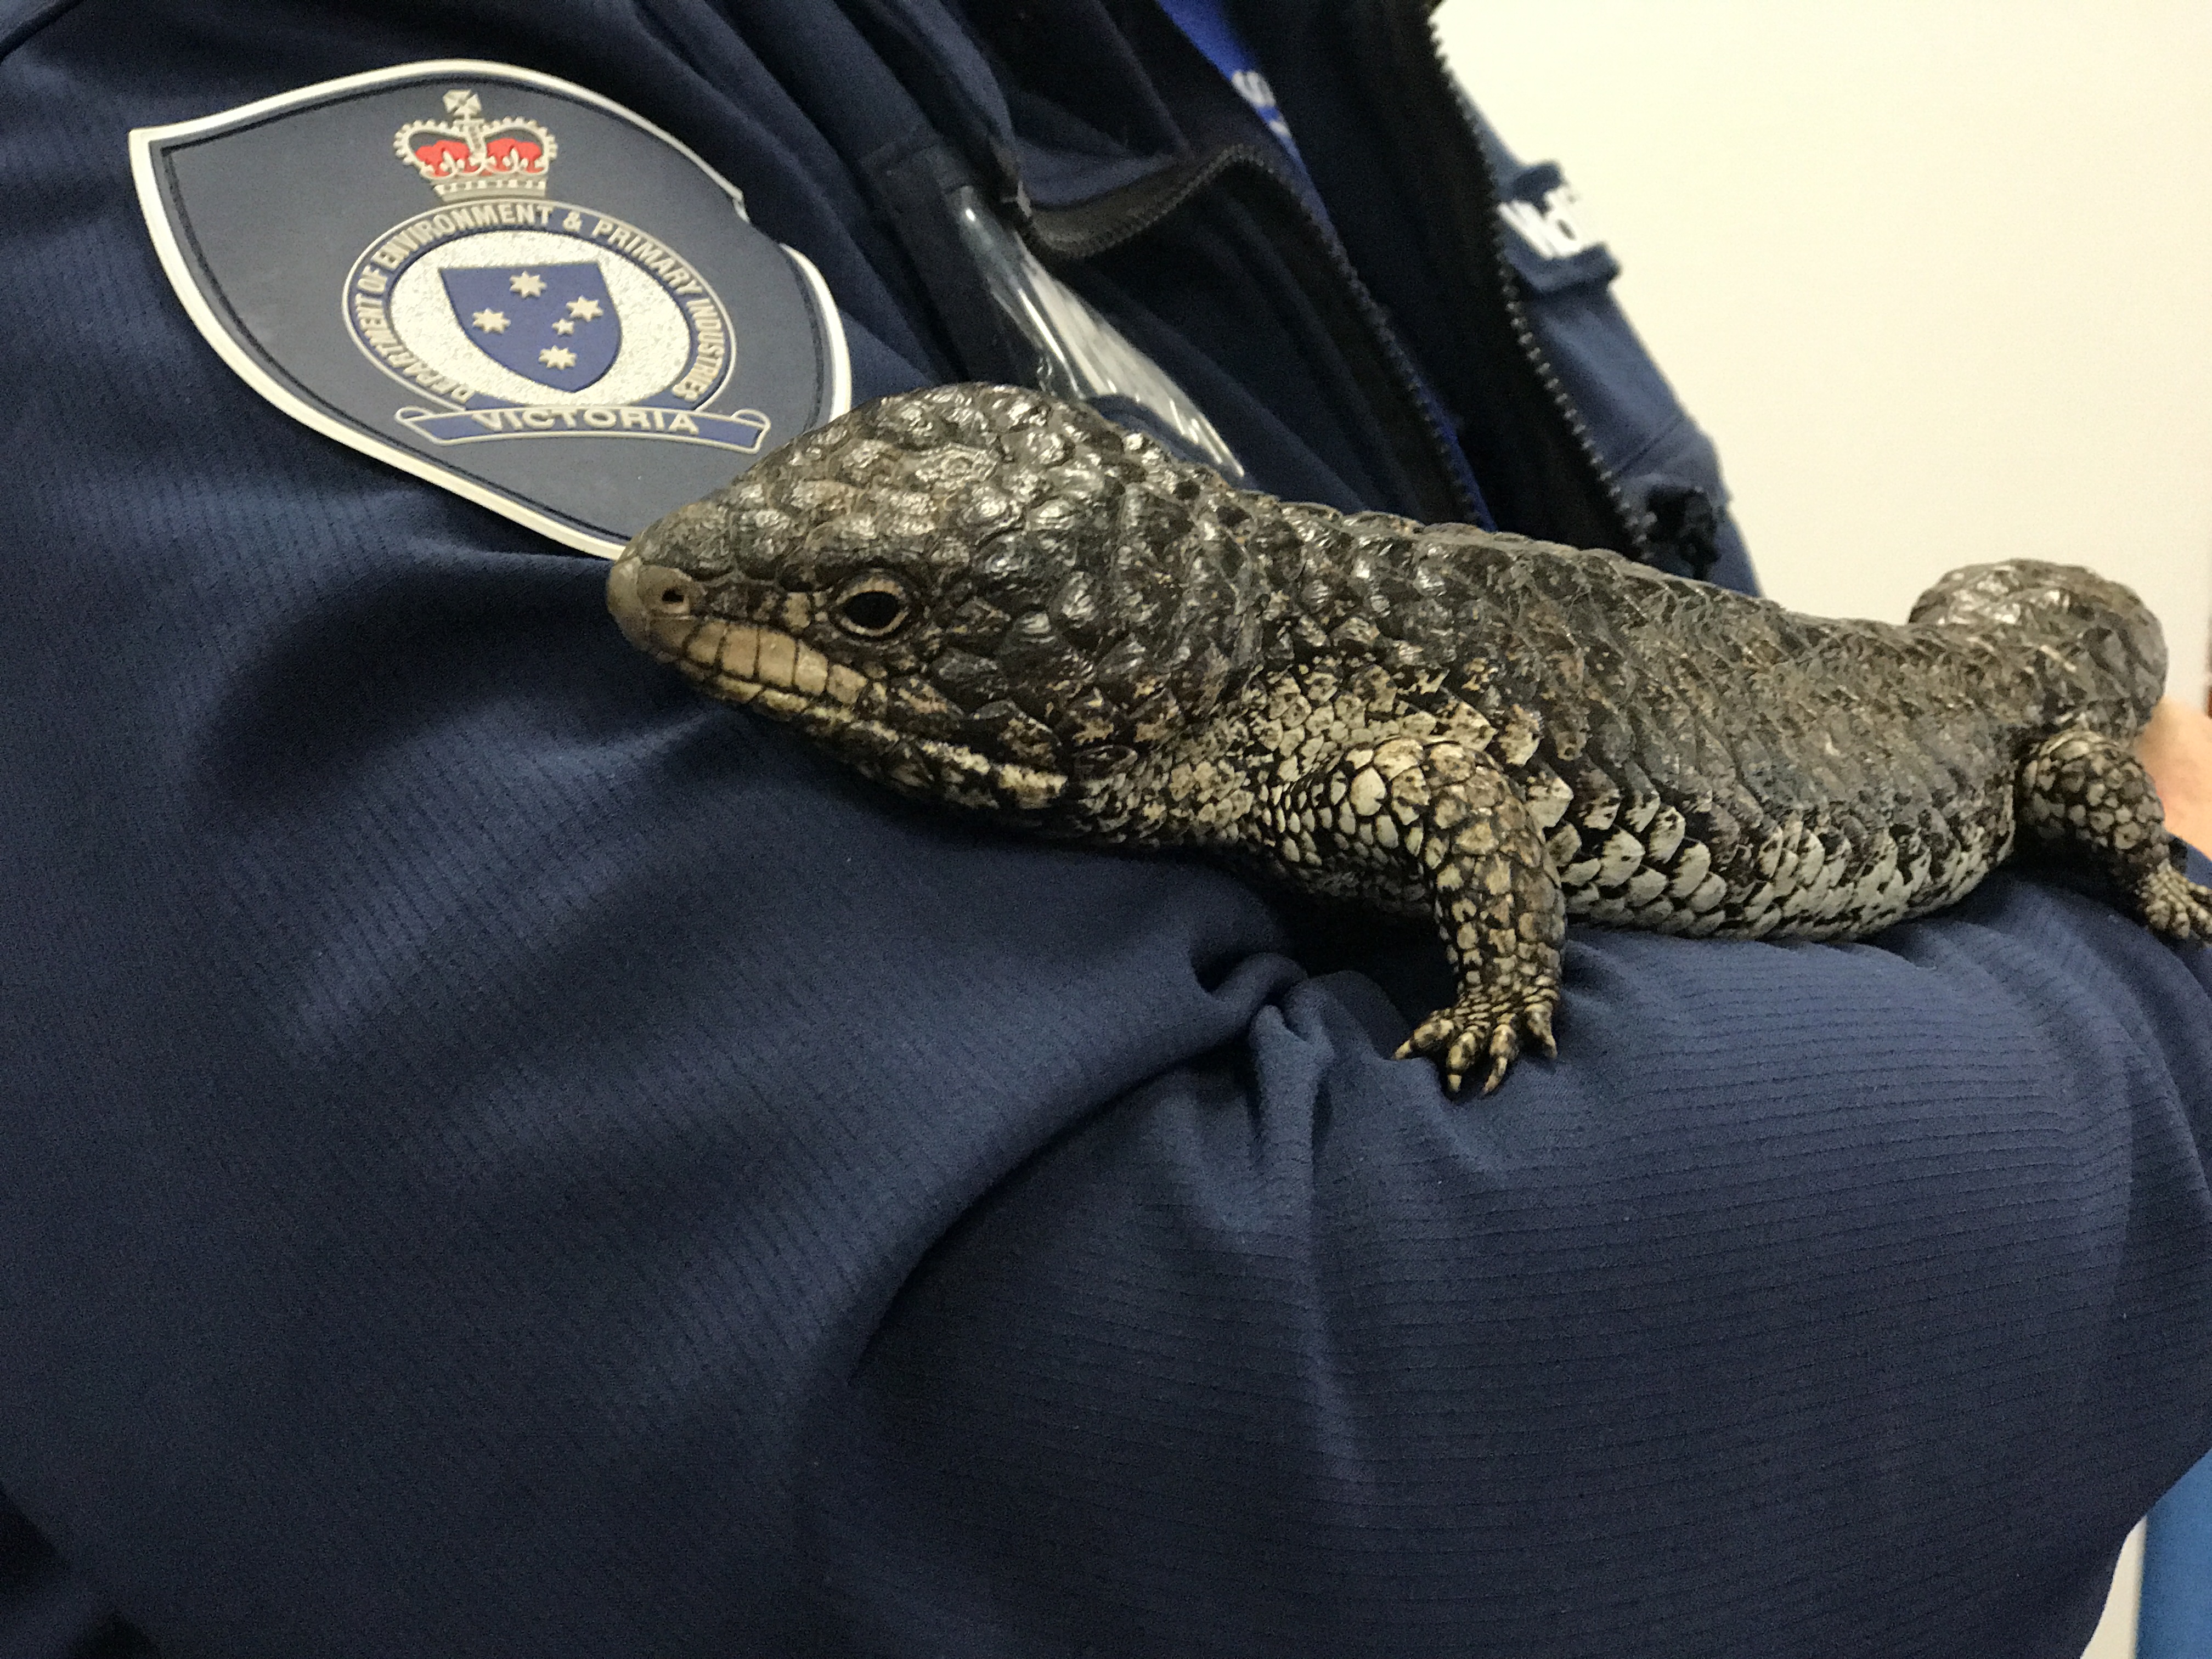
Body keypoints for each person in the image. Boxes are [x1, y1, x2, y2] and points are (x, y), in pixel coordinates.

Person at [1, 2, 2208, 1655]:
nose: (672, 602)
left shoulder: (1274, 55)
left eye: (861, 612)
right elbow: (1097, 1427)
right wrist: (2167, 1016)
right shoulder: (161, 90)